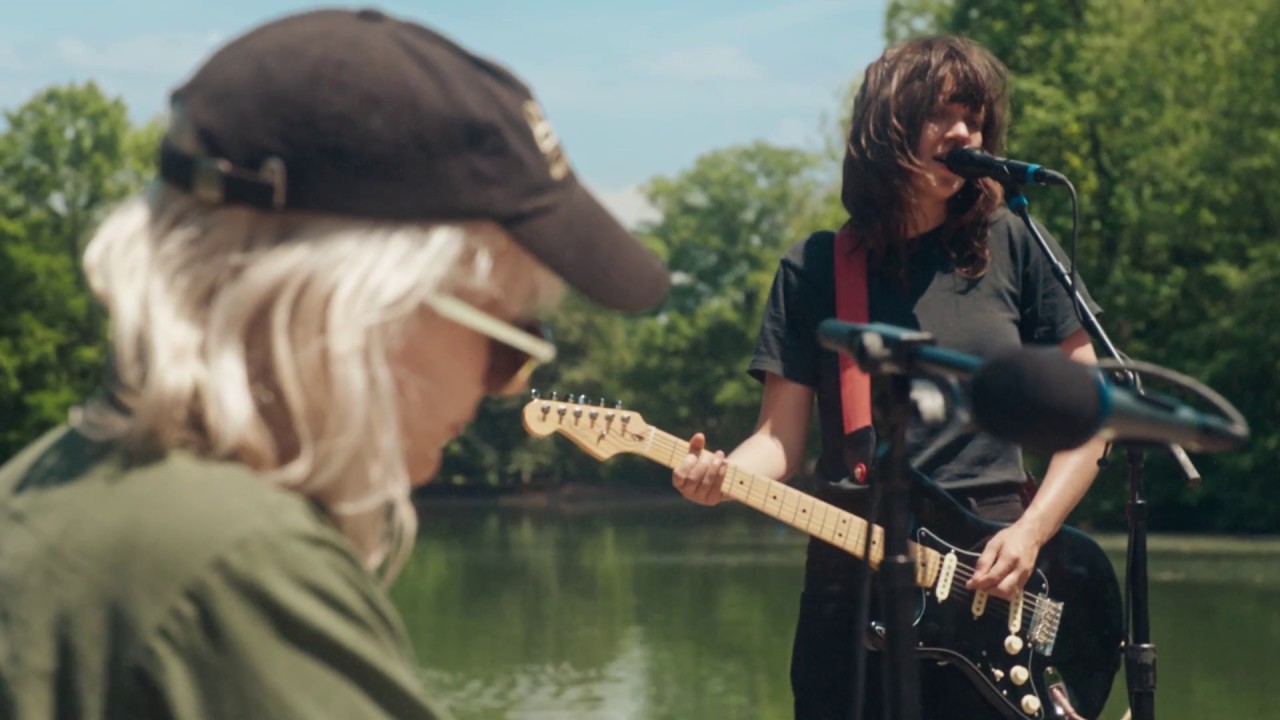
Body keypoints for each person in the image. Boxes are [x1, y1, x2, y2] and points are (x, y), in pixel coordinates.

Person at [0, 8, 668, 719]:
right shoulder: (242, 571)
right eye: (509, 343)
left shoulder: (47, 489)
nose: (503, 388)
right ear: (362, 301)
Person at [671, 35, 1107, 719]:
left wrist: (1033, 531)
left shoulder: (1014, 243)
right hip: (850, 595)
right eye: (942, 113)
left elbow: (1093, 412)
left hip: (998, 581)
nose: (965, 131)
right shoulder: (818, 268)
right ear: (887, 128)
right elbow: (779, 441)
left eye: (975, 117)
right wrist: (718, 474)